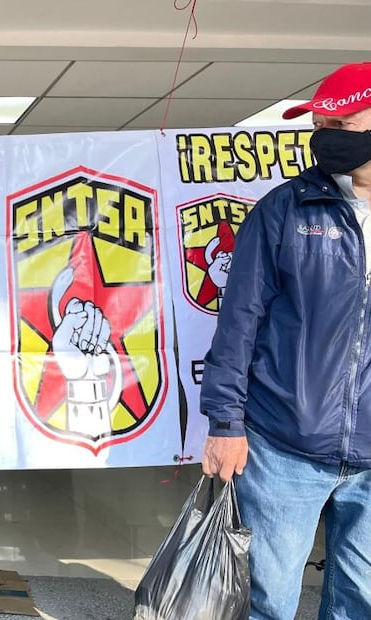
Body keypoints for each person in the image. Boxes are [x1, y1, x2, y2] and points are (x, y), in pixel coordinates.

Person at [201, 61, 371, 619]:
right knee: (268, 601)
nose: (325, 140)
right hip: (283, 445)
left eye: (340, 127)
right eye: (319, 126)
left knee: (359, 602)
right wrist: (225, 423)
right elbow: (239, 320)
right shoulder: (285, 210)